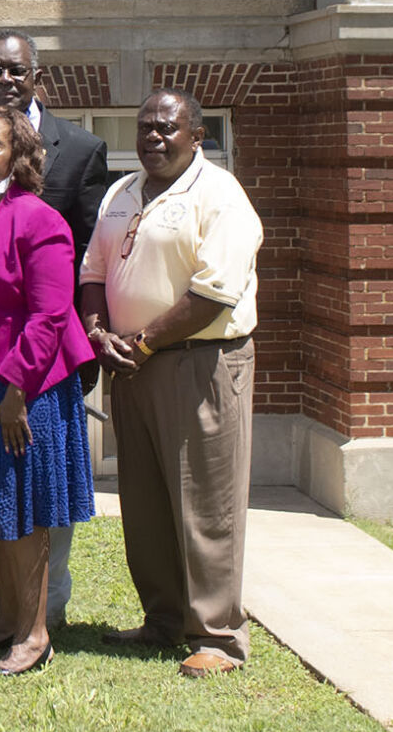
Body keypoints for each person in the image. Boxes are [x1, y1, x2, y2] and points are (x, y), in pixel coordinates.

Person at [79, 87, 262, 678]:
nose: (152, 138)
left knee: (206, 501)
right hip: (132, 364)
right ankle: (161, 620)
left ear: (197, 136)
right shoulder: (121, 191)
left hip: (198, 364)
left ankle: (217, 635)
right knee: (147, 501)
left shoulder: (219, 195)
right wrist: (98, 330)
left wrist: (145, 341)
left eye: (167, 129)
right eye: (144, 128)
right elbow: (94, 272)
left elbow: (212, 294)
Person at [0, 30, 108, 627]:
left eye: (16, 70)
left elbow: (72, 270)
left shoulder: (74, 159)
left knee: (33, 491)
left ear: (37, 75)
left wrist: (24, 380)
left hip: (31, 366)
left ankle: (41, 611)